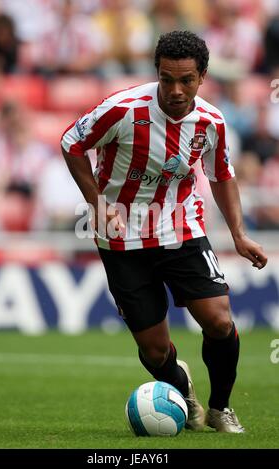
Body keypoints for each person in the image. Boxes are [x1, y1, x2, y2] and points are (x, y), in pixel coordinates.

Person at [61, 31, 268, 433]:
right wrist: (98, 203)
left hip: (181, 227)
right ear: (157, 72)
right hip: (121, 236)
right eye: (166, 78)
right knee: (155, 351)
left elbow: (222, 176)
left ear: (203, 76)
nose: (175, 89)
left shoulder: (210, 121)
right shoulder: (121, 110)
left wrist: (239, 235)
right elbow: (71, 142)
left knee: (219, 321)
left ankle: (221, 408)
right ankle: (182, 392)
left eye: (186, 80)